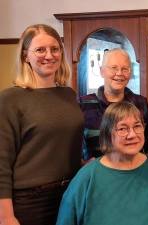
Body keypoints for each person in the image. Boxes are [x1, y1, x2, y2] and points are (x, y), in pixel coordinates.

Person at [0, 24, 84, 225]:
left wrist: (83, 164)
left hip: (70, 194)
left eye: (55, 49)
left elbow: (56, 144)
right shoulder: (10, 99)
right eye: (40, 50)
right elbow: (1, 164)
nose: (49, 55)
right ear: (25, 56)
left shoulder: (68, 94)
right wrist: (6, 217)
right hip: (31, 202)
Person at [56, 101, 148, 225]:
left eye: (137, 126)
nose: (132, 135)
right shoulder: (86, 177)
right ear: (108, 133)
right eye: (122, 128)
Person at [78, 48, 148, 163]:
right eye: (113, 68)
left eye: (124, 69)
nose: (119, 73)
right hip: (96, 174)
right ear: (102, 71)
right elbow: (72, 146)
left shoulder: (141, 103)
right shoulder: (83, 104)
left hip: (134, 171)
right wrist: (83, 164)